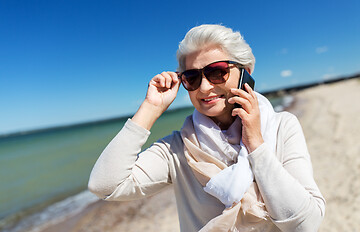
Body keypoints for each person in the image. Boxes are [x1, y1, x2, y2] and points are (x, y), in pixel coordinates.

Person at [88, 24, 325, 231]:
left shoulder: (283, 127)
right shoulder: (177, 149)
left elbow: (306, 224)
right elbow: (105, 186)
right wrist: (151, 107)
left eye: (217, 72)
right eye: (192, 77)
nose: (203, 87)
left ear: (245, 73)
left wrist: (256, 145)